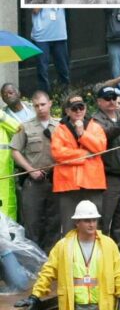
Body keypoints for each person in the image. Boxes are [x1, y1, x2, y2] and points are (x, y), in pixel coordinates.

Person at [20, 200, 120, 310]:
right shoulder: (63, 246)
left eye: (94, 220)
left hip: (102, 304)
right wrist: (35, 295)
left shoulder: (108, 245)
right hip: (74, 304)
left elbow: (119, 272)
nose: (91, 224)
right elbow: (48, 271)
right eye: (87, 221)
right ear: (77, 222)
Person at [10, 91, 60, 252]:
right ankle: (34, 261)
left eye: (43, 104)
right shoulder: (25, 127)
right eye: (36, 105)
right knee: (32, 222)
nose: (40, 108)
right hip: (34, 183)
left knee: (54, 222)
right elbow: (15, 151)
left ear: (50, 103)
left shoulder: (60, 126)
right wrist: (30, 170)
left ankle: (51, 261)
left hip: (55, 181)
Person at [51, 94, 108, 235]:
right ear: (68, 111)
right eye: (74, 108)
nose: (78, 111)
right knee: (69, 227)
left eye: (81, 107)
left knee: (94, 227)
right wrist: (83, 155)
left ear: (85, 108)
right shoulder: (60, 129)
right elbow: (58, 153)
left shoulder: (95, 127)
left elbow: (101, 147)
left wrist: (82, 134)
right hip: (68, 185)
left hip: (93, 184)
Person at [90, 87, 120, 251]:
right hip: (108, 177)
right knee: (104, 217)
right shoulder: (95, 121)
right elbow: (105, 136)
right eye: (107, 98)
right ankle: (101, 253)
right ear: (99, 101)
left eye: (113, 97)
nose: (111, 101)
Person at [30, 8, 70, 92]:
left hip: (59, 34)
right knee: (42, 70)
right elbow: (35, 9)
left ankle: (64, 95)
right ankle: (44, 97)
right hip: (42, 36)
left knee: (63, 69)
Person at [0, 108, 20, 221]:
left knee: (7, 210)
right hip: (4, 175)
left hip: (4, 175)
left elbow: (19, 129)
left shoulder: (2, 120)